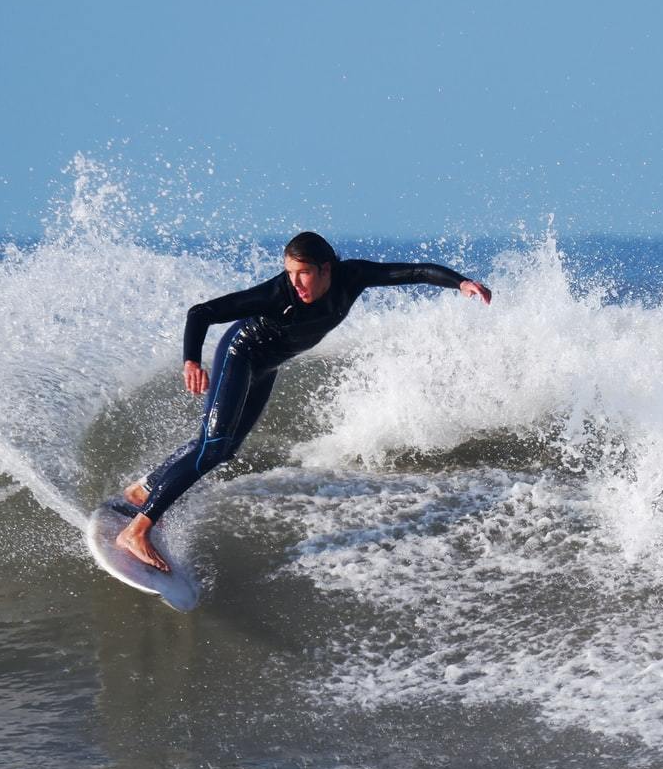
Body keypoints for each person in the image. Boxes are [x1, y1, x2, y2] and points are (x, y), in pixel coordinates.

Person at [114, 231, 493, 570]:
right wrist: (191, 361)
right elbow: (202, 313)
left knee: (223, 449)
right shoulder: (277, 294)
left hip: (268, 365)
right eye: (290, 273)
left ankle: (144, 490)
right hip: (241, 354)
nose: (295, 283)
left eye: (303, 274)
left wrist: (461, 283)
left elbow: (414, 272)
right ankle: (138, 529)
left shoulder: (352, 277)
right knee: (213, 448)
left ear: (326, 269)